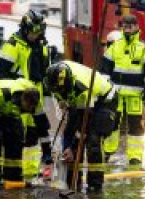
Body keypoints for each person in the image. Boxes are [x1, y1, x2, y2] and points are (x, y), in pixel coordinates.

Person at [0, 9, 54, 178]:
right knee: (16, 136)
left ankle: (30, 172)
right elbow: (0, 74)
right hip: (19, 98)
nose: (36, 35)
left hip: (36, 97)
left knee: (34, 136)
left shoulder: (42, 45)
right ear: (25, 29)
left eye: (39, 31)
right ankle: (13, 172)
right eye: (34, 32)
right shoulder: (14, 45)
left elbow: (45, 73)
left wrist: (48, 98)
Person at [44, 61, 118, 193]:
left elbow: (85, 121)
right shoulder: (55, 77)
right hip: (81, 101)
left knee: (92, 140)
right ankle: (72, 181)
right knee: (70, 134)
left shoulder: (82, 87)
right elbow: (69, 118)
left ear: (66, 85)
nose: (58, 92)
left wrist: (73, 146)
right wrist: (68, 145)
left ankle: (95, 185)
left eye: (60, 90)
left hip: (104, 100)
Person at [100, 14, 145, 166]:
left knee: (135, 126)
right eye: (125, 26)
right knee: (112, 124)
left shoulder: (144, 48)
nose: (128, 29)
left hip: (135, 95)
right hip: (116, 94)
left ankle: (135, 157)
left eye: (130, 26)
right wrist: (105, 88)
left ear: (137, 27)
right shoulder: (115, 46)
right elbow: (105, 68)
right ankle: (107, 152)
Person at [0, 78, 41, 189]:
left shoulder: (33, 101)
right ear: (24, 100)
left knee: (17, 139)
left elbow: (40, 121)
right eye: (28, 107)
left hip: (8, 110)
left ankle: (13, 176)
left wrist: (35, 137)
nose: (29, 110)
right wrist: (0, 120)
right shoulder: (4, 94)